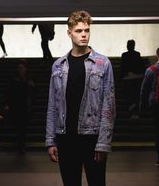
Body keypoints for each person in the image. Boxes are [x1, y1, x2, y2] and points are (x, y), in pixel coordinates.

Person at [46, 10, 116, 186]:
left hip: (91, 138)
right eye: (78, 31)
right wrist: (50, 140)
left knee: (97, 182)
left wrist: (103, 144)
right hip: (65, 138)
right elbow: (52, 107)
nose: (84, 34)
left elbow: (109, 106)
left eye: (87, 30)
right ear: (69, 33)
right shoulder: (58, 66)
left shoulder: (102, 63)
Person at [4, 59, 35, 154]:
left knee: (23, 127)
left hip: (25, 107)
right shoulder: (14, 80)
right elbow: (9, 93)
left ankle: (21, 144)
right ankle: (20, 144)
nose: (20, 69)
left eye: (22, 68)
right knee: (19, 127)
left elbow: (32, 94)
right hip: (17, 106)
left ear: (25, 69)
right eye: (19, 68)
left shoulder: (28, 80)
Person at [120, 39, 145, 119]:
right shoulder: (137, 54)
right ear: (134, 46)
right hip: (137, 77)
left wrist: (122, 77)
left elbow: (122, 67)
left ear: (128, 46)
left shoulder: (124, 55)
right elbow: (141, 65)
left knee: (129, 95)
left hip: (128, 78)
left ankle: (131, 110)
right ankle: (135, 111)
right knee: (136, 95)